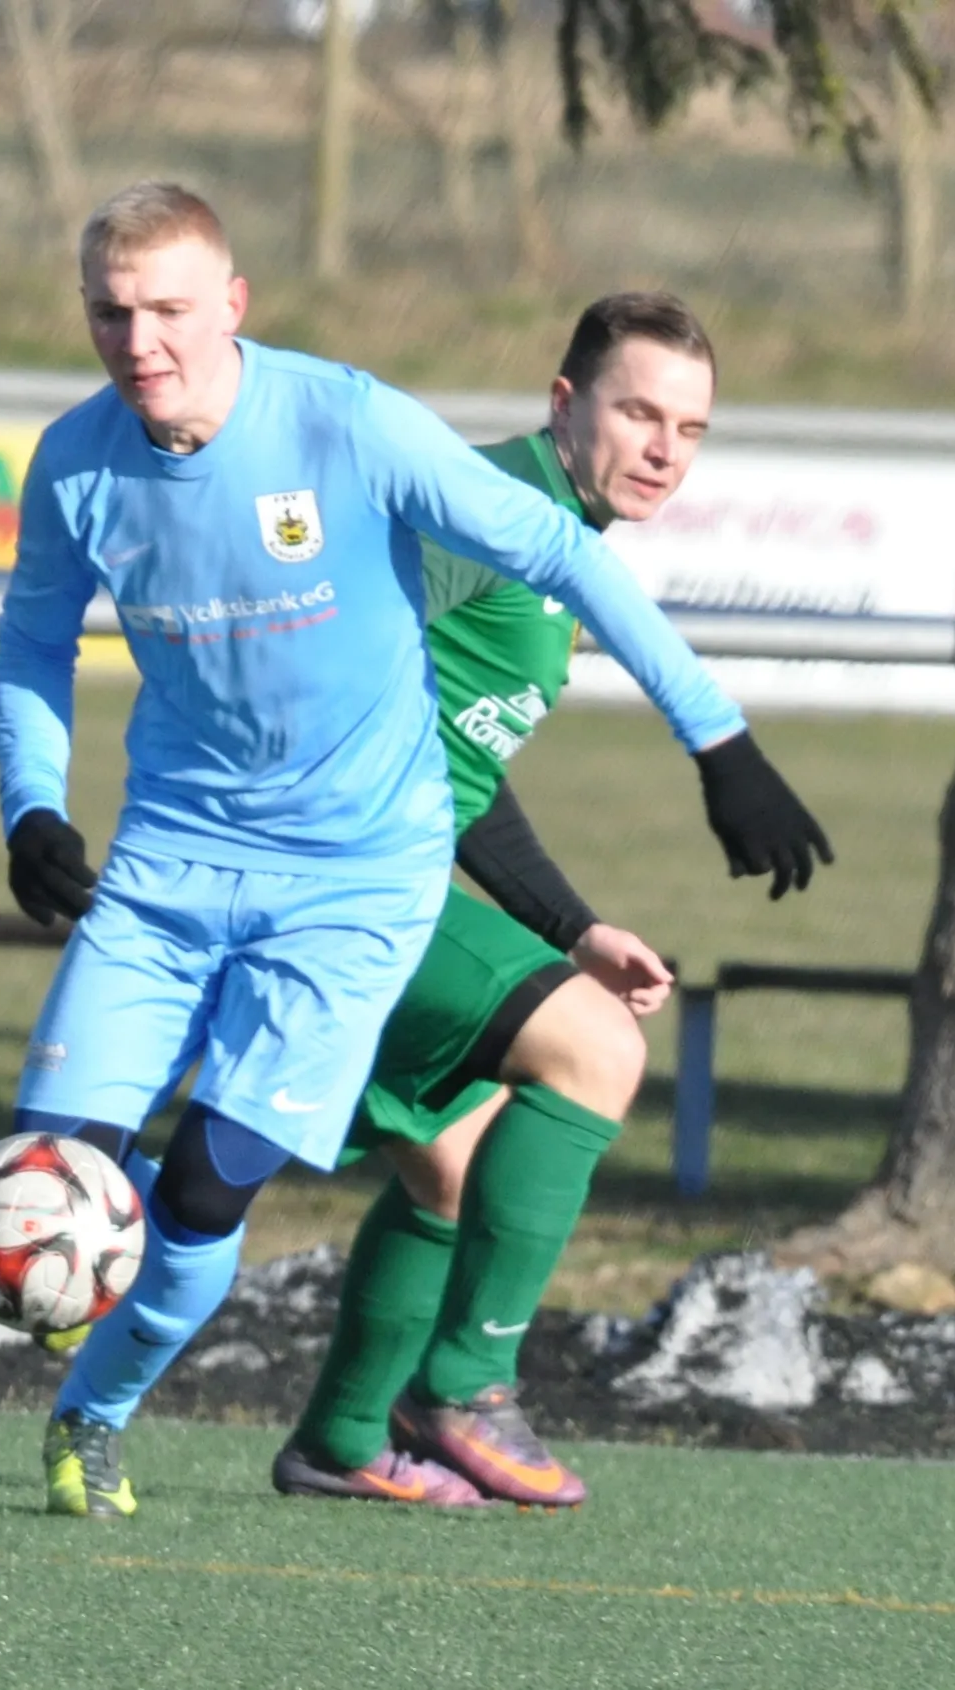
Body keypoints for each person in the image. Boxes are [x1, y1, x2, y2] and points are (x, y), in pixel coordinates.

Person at [0, 180, 831, 1521]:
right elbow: (35, 637)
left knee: (204, 1191)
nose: (139, 341)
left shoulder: (346, 423)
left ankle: (98, 1414)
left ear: (232, 306)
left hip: (348, 892)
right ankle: (333, 1391)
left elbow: (558, 567)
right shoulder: (77, 462)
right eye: (111, 312)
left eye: (168, 311)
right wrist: (31, 806)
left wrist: (718, 746)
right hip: (169, 868)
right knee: (47, 1184)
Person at [272, 293, 780, 1511]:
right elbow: (317, 646)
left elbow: (461, 766)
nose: (664, 448)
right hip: (321, 874)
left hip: (354, 870)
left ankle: (340, 1440)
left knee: (453, 1161)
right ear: (565, 403)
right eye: (639, 413)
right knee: (597, 1049)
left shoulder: (557, 536)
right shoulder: (486, 512)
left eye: (690, 429)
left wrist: (575, 928)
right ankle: (467, 1386)